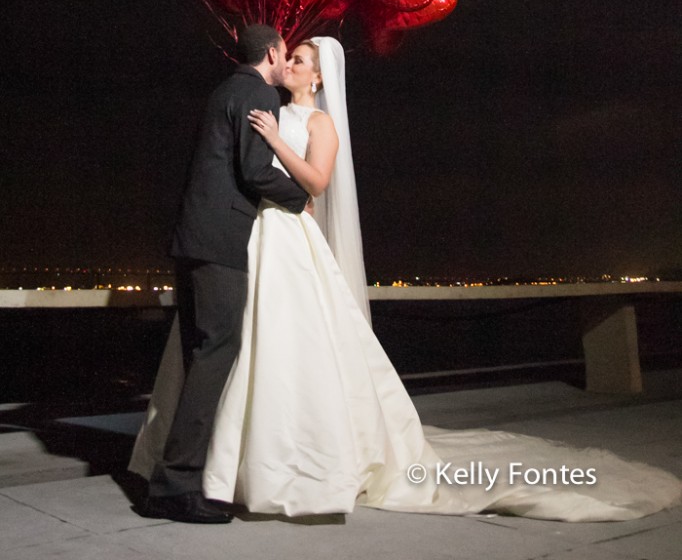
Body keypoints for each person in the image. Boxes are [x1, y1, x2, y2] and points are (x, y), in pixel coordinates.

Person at [132, 36, 681, 521]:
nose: (293, 65)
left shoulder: (316, 123)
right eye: (290, 56)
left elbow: (315, 184)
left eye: (301, 60)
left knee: (283, 345)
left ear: (319, 76)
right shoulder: (262, 105)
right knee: (245, 347)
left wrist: (277, 142)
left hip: (290, 234)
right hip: (253, 235)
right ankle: (226, 463)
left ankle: (273, 465)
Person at [141, 24, 309, 523]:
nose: (286, 62)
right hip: (220, 243)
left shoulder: (224, 90)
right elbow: (255, 171)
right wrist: (303, 197)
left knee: (201, 355)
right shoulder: (259, 92)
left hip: (193, 238)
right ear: (275, 53)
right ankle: (175, 488)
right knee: (216, 353)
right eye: (286, 53)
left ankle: (171, 480)